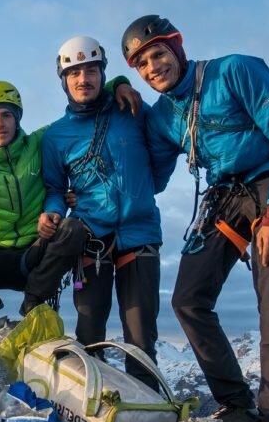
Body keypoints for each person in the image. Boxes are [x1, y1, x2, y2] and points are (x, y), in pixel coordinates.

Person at [122, 14, 269, 422]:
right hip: (226, 195)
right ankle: (236, 405)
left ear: (177, 47)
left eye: (158, 55)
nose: (153, 68)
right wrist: (117, 94)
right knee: (189, 299)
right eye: (142, 65)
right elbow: (153, 178)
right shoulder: (162, 117)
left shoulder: (236, 70)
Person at [0, 78, 138, 323]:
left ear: (17, 118)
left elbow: (79, 109)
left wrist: (117, 85)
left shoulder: (39, 143)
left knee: (72, 230)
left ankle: (34, 300)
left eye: (6, 115)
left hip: (31, 257)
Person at [38, 36, 171, 389]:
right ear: (63, 81)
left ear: (102, 73)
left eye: (92, 70)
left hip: (140, 234)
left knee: (141, 337)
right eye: (74, 72)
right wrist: (53, 210)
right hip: (91, 238)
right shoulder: (55, 137)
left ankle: (146, 411)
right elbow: (54, 187)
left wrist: (148, 186)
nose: (84, 79)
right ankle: (90, 407)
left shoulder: (133, 111)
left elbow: (164, 149)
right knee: (89, 329)